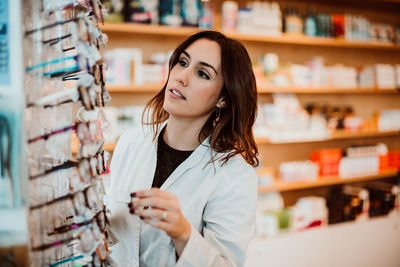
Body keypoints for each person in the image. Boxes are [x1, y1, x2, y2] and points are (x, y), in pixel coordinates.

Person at [106, 30, 259, 267]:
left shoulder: (235, 176)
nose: (181, 77)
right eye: (183, 62)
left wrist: (183, 233)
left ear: (223, 99)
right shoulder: (130, 142)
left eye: (202, 73)